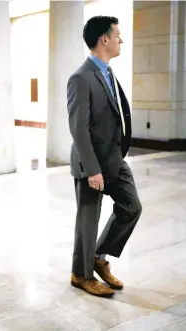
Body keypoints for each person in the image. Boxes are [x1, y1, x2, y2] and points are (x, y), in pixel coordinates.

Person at [67, 15, 142, 298]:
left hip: (114, 159)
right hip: (92, 164)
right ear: (104, 39)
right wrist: (92, 168)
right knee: (88, 220)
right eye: (118, 35)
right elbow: (78, 127)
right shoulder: (80, 77)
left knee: (132, 207)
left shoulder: (107, 72)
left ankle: (98, 256)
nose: (121, 40)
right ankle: (81, 275)